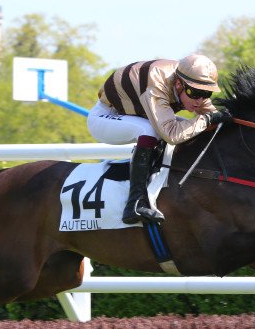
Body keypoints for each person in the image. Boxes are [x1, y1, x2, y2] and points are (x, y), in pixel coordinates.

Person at [87, 54, 233, 225]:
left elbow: (212, 117)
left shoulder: (187, 81)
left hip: (138, 115)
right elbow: (172, 135)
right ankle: (135, 203)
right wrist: (208, 119)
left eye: (206, 94)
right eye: (194, 93)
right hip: (106, 116)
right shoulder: (157, 83)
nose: (199, 101)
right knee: (150, 131)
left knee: (194, 129)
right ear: (179, 84)